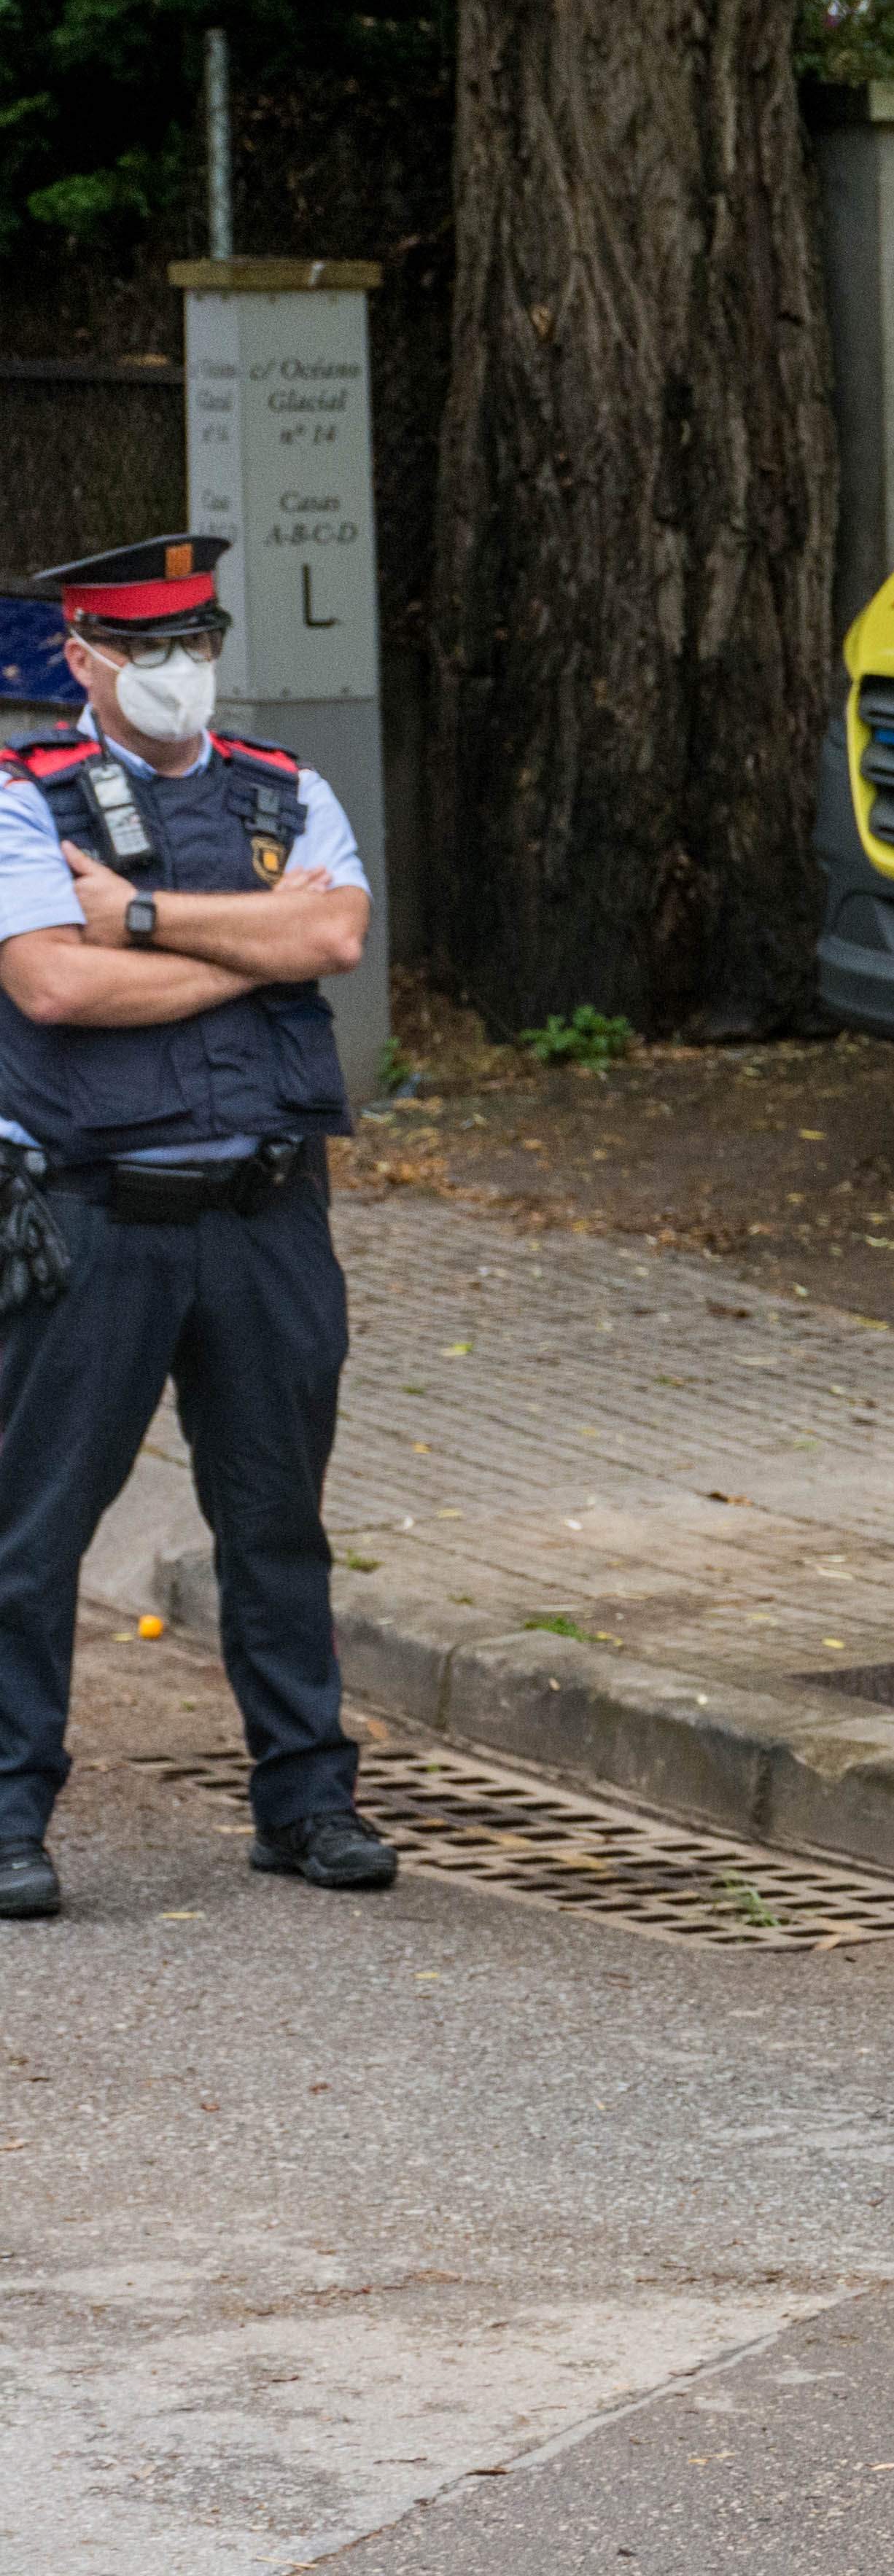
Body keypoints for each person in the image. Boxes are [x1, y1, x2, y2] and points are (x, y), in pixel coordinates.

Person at [0, 533, 386, 1922]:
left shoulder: (288, 788)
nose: (176, 671)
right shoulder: (17, 801)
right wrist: (247, 953)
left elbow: (335, 945)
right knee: (31, 1530)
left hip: (268, 1217)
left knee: (277, 1524)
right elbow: (51, 987)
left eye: (196, 641)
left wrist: (144, 919)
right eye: (145, 647)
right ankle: (7, 1816)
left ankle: (307, 1806)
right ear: (81, 657)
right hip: (91, 1217)